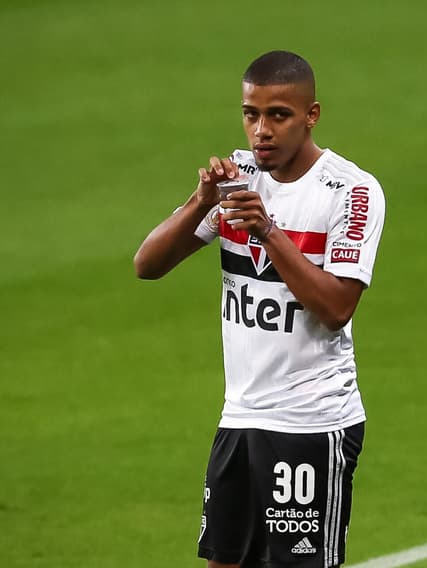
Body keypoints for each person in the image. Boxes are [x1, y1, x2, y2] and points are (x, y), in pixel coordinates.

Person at [133, 50, 385, 568]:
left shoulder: (351, 191)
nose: (261, 131)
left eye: (278, 115)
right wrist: (201, 202)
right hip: (240, 415)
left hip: (312, 421)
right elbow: (147, 265)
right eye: (251, 114)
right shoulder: (238, 180)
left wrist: (267, 231)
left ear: (311, 115)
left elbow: (337, 307)